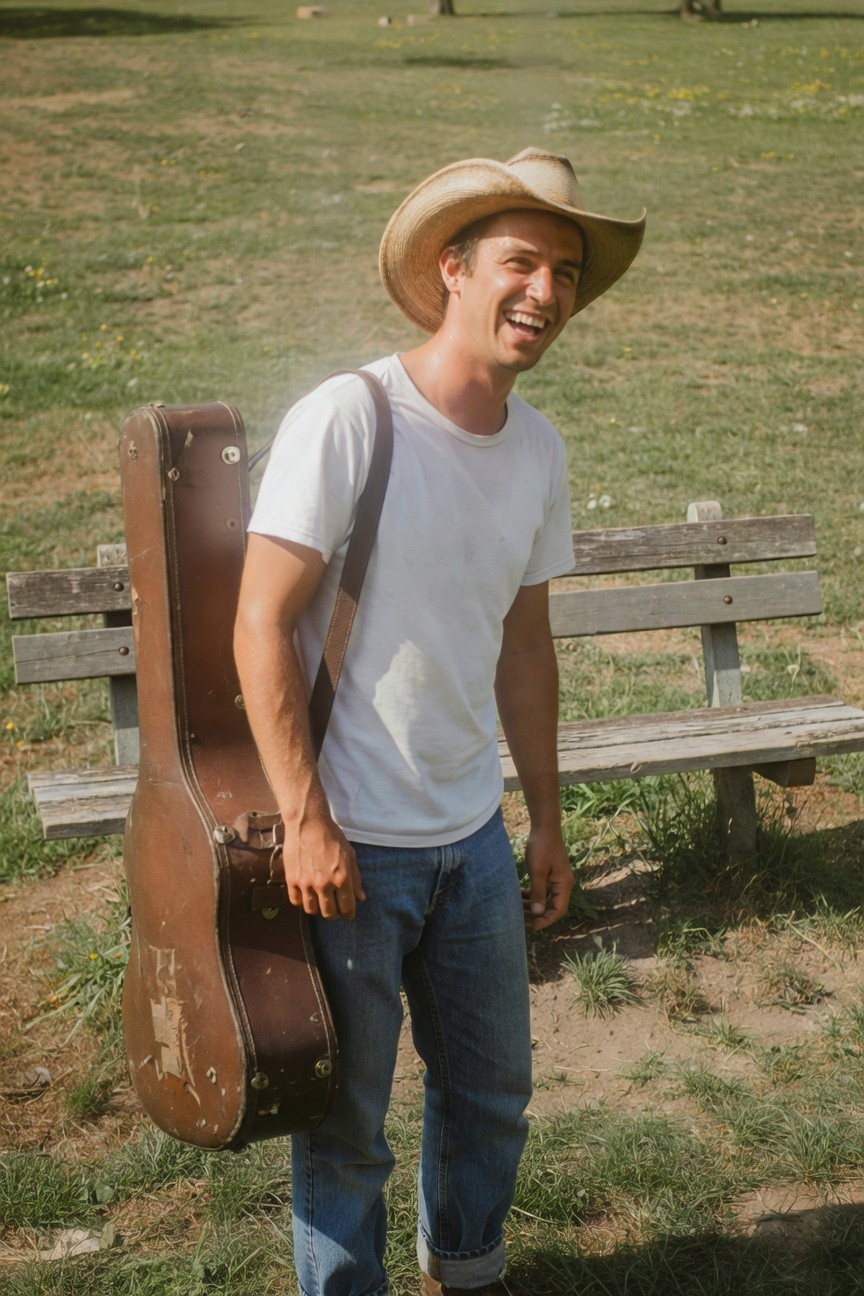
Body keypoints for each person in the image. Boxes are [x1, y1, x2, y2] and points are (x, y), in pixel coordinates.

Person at [234, 147, 645, 1296]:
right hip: (352, 847)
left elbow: (523, 645)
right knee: (347, 1127)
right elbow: (259, 624)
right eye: (523, 262)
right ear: (453, 269)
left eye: (566, 271)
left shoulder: (539, 450)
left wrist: (546, 819)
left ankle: (466, 1272)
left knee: (491, 1096)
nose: (548, 293)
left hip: (470, 840)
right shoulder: (350, 418)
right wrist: (305, 823)